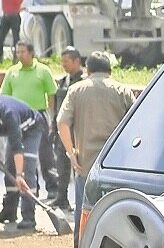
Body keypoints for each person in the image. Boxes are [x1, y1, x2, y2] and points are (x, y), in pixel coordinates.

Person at [58, 49, 138, 214]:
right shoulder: (123, 91)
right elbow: (138, 124)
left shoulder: (76, 90)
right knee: (114, 214)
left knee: (85, 214)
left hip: (85, 165)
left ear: (88, 71)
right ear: (110, 71)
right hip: (116, 165)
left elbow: (62, 122)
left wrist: (72, 154)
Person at [0, 95, 44, 232]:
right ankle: (9, 211)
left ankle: (29, 216)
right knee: (9, 169)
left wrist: (19, 175)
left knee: (26, 171)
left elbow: (17, 147)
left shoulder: (9, 114)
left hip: (31, 129)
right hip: (14, 133)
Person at [45, 45, 82, 211]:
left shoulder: (84, 82)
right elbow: (57, 108)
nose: (63, 65)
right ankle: (62, 197)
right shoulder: (63, 81)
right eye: (62, 62)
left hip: (78, 131)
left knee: (78, 167)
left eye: (66, 61)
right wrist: (53, 127)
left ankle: (80, 200)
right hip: (62, 130)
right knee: (61, 165)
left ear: (76, 61)